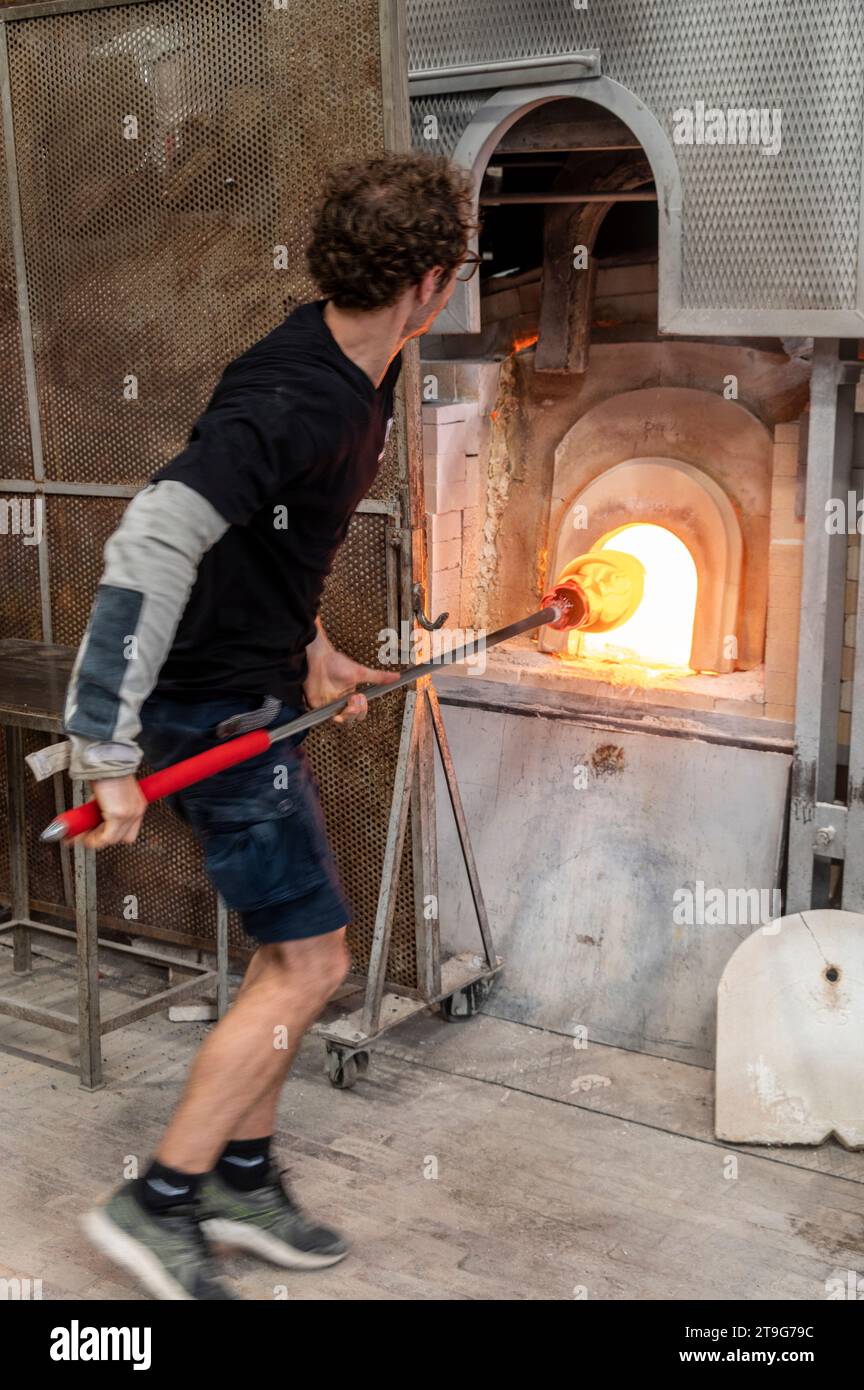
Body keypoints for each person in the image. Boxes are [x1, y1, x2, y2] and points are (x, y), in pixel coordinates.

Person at [63, 151, 476, 1300]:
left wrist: (317, 651)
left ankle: (241, 1173)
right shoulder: (290, 394)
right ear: (431, 284)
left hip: (252, 681)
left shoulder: (354, 361)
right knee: (311, 963)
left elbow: (266, 544)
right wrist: (106, 753)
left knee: (290, 960)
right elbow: (152, 541)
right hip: (209, 714)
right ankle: (158, 1203)